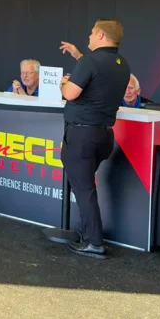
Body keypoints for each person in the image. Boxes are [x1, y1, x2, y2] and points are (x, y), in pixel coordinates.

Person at [57, 19, 131, 259]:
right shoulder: (122, 63)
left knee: (84, 189)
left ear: (100, 35)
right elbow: (97, 78)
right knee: (85, 185)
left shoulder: (91, 61)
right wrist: (79, 55)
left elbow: (70, 93)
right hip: (104, 135)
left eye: (91, 33)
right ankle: (89, 233)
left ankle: (95, 243)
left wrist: (64, 83)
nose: (88, 37)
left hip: (81, 135)